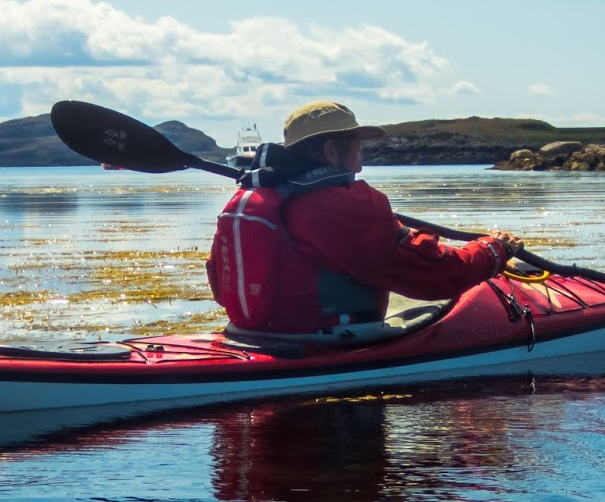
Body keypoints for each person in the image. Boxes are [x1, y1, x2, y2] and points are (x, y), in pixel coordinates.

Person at [207, 100, 524, 333]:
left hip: (256, 335)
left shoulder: (258, 197)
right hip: (324, 343)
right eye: (357, 145)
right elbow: (432, 273)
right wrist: (494, 251)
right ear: (331, 151)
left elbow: (219, 277)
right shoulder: (345, 205)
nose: (362, 156)